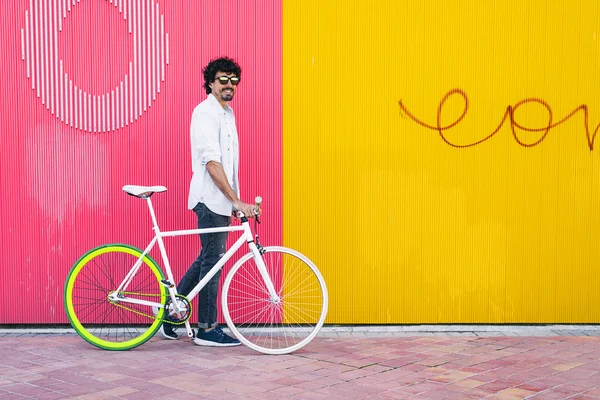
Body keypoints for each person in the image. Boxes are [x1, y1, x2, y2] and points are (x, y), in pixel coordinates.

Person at [160, 56, 258, 346]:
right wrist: (237, 201)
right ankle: (206, 328)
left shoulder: (228, 114)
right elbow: (212, 162)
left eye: (234, 80)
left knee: (207, 258)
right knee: (213, 263)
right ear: (211, 83)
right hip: (209, 199)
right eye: (223, 80)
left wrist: (234, 203)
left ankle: (171, 315)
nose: (229, 85)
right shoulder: (204, 113)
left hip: (222, 202)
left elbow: (230, 164)